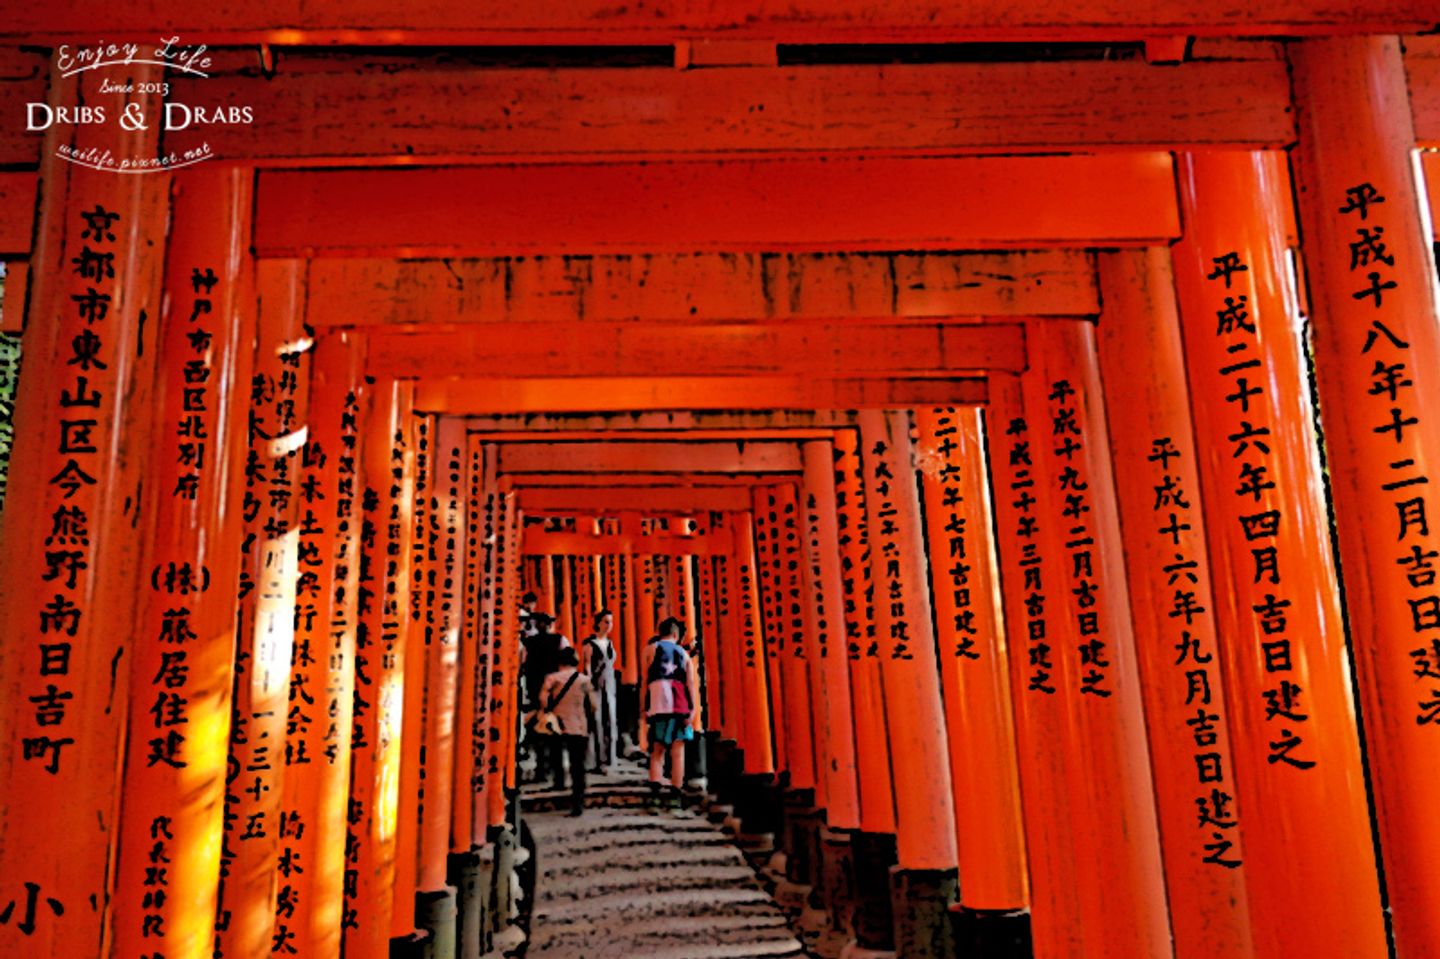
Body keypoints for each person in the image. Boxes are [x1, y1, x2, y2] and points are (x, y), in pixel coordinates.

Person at [536, 646, 597, 816]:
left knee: (556, 755)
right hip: (578, 725)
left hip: (557, 724)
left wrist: (548, 710)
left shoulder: (552, 678)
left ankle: (559, 781)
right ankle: (578, 801)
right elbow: (593, 705)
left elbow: (543, 699)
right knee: (578, 765)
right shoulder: (584, 680)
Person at [643, 616, 697, 795]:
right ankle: (676, 790)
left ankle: (655, 787)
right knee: (678, 749)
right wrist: (693, 708)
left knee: (657, 749)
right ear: (676, 634)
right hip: (679, 704)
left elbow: (644, 681)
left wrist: (643, 706)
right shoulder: (683, 654)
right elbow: (690, 683)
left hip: (657, 703)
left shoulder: (650, 650)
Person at [521, 612, 571, 781]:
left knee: (539, 730)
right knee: (555, 730)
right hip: (556, 690)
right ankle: (556, 772)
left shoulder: (529, 643)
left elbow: (523, 664)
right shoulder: (560, 640)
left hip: (537, 690)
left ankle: (541, 769)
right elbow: (568, 661)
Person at [581, 608, 619, 772]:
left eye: (610, 621)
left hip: (609, 685)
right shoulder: (589, 644)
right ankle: (598, 760)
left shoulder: (610, 643)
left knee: (611, 719)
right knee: (596, 721)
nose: (609, 625)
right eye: (606, 621)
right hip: (596, 685)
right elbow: (587, 666)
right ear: (598, 623)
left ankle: (611, 757)